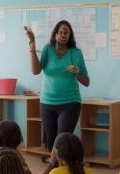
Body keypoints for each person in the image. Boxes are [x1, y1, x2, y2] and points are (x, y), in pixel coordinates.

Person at [25, 21, 90, 151]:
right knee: (51, 145)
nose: (63, 35)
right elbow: (36, 71)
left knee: (62, 142)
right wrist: (32, 44)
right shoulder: (48, 50)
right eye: (60, 32)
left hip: (70, 102)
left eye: (66, 32)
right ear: (55, 34)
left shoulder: (76, 53)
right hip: (47, 103)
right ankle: (55, 170)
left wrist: (77, 73)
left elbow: (86, 82)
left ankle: (60, 169)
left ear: (70, 35)